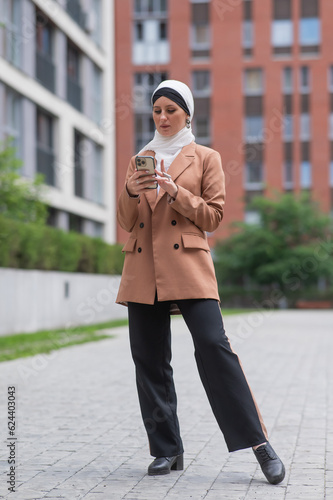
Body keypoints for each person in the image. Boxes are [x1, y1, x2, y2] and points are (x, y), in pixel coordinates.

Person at [116, 80, 285, 485]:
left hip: (189, 266)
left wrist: (175, 193)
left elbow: (213, 217)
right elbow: (126, 222)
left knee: (214, 347)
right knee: (149, 360)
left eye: (170, 110)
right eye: (156, 110)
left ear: (187, 114)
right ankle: (166, 449)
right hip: (143, 270)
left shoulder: (206, 157)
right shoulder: (140, 158)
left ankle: (260, 444)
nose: (162, 117)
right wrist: (130, 190)